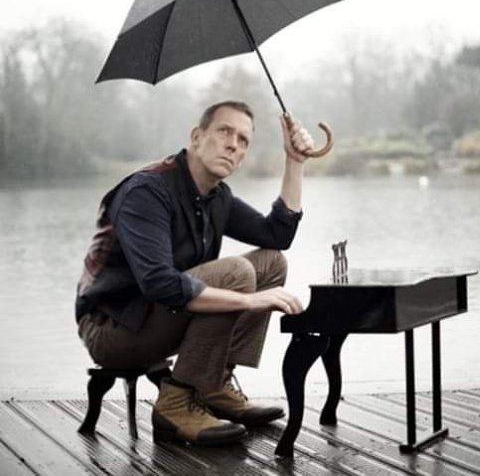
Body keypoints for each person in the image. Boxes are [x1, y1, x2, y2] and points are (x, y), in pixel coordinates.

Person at [75, 100, 315, 446]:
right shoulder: (147, 190)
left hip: (161, 317)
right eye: (224, 131)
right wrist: (248, 300)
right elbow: (159, 283)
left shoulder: (216, 196)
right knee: (237, 272)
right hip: (113, 328)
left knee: (271, 262)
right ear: (196, 137)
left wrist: (295, 162)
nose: (233, 145)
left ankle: (214, 386)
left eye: (243, 140)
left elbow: (277, 236)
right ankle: (175, 404)